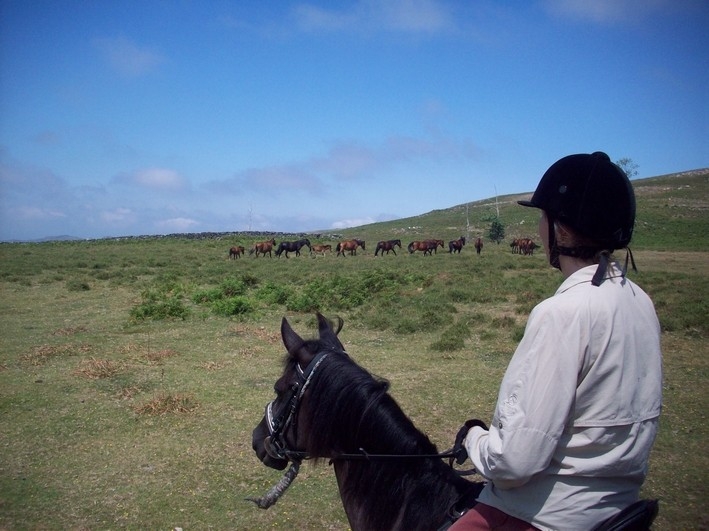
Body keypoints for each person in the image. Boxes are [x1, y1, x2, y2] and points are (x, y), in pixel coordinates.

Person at [451, 152, 663, 531]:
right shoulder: (639, 300)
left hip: (540, 514)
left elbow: (516, 460)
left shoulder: (561, 313)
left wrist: (474, 439)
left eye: (543, 217)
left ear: (559, 227)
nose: (538, 228)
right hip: (618, 508)